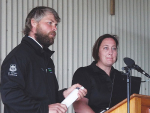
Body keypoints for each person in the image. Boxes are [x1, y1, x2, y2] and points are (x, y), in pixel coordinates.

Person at [1, 6, 87, 113]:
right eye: (50, 23)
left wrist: (65, 94)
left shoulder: (45, 58)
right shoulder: (18, 56)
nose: (55, 28)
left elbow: (47, 99)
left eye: (56, 25)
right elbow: (10, 96)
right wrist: (44, 109)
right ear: (34, 23)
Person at [72, 34, 141, 113]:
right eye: (106, 48)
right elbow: (79, 105)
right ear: (97, 51)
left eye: (114, 48)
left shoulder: (121, 77)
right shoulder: (83, 73)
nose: (110, 52)